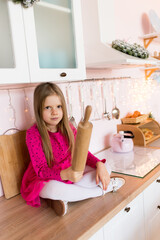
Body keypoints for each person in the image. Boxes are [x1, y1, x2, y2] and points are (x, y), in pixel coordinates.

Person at [21, 82, 124, 216]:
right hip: (47, 177)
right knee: (53, 189)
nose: (54, 112)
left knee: (106, 167)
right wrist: (64, 175)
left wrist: (99, 164)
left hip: (70, 171)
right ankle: (100, 191)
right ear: (38, 109)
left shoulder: (69, 128)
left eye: (58, 106)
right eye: (48, 107)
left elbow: (83, 154)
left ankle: (68, 196)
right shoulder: (33, 134)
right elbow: (41, 170)